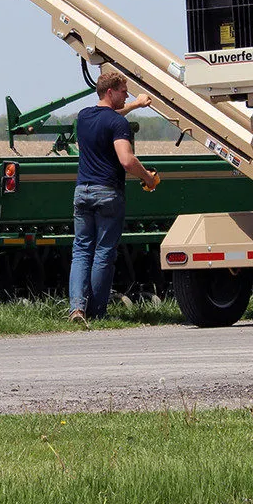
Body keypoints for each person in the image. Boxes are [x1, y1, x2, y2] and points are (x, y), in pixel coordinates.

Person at [69, 71, 159, 322]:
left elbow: (108, 117)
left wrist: (135, 105)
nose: (127, 94)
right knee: (104, 253)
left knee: (81, 251)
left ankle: (77, 308)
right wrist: (147, 177)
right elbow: (126, 160)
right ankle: (97, 313)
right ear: (110, 92)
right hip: (107, 193)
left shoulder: (84, 116)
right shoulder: (118, 125)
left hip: (82, 192)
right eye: (123, 91)